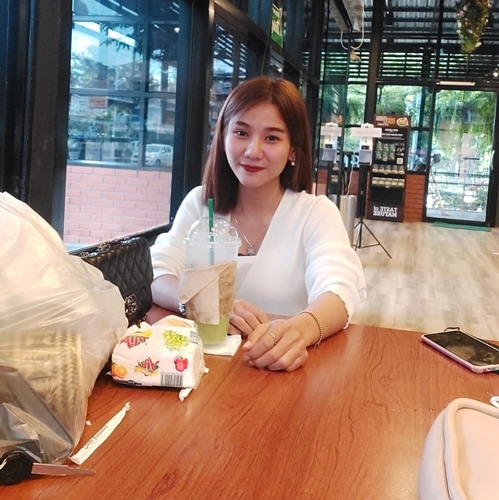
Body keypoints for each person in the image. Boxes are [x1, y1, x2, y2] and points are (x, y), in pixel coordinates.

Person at [150, 76, 366, 372]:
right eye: (241, 133)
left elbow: (340, 291)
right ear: (223, 137)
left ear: (293, 150)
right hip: (198, 373)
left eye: (272, 138)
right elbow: (158, 272)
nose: (253, 151)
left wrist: (299, 331)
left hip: (279, 374)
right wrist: (205, 303)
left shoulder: (314, 213)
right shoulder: (201, 204)